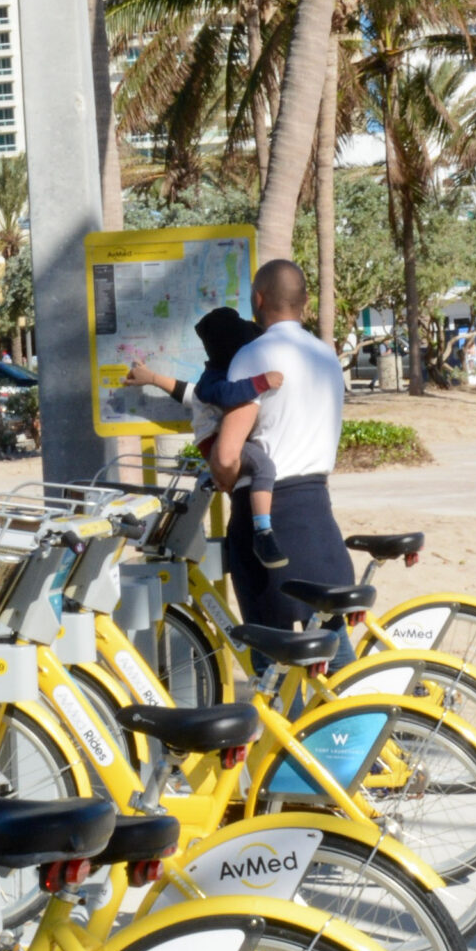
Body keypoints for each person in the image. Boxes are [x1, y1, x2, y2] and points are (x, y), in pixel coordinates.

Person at [207, 260, 355, 658]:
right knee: (332, 651)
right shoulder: (325, 356)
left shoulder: (253, 356)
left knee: (272, 661)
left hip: (268, 524)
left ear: (258, 299)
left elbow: (225, 455)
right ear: (305, 302)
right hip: (318, 514)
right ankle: (361, 720)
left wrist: (224, 476)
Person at [124, 308, 288, 567]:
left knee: (246, 474)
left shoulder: (215, 375)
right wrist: (260, 383)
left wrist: (152, 378)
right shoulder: (217, 381)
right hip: (214, 443)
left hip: (215, 442)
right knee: (263, 468)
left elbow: (187, 394)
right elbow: (224, 394)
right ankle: (263, 533)